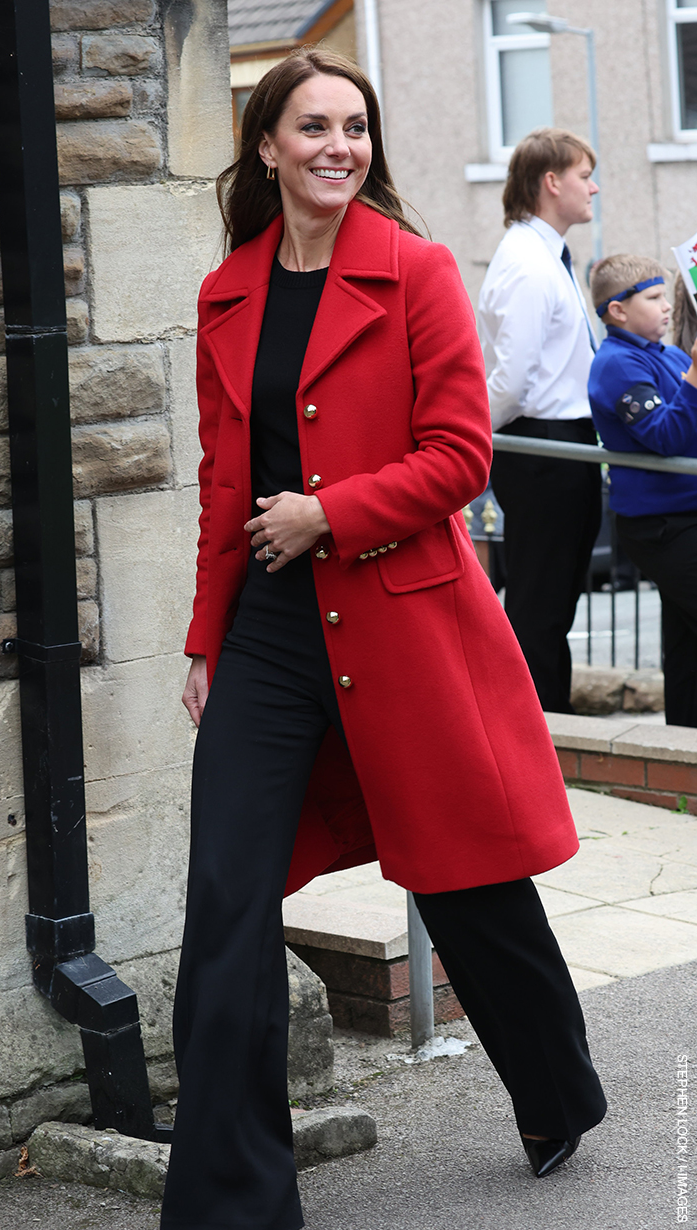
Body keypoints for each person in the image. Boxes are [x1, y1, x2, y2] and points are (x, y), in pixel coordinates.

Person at [162, 50, 606, 1230]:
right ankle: (229, 1202)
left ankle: (557, 1088)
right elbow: (223, 485)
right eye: (312, 127)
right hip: (266, 632)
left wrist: (330, 512)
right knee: (227, 902)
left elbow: (462, 455)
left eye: (355, 127)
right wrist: (203, 639)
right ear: (267, 145)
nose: (338, 147)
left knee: (466, 882)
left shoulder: (413, 273)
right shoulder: (228, 290)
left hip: (402, 621)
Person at [478, 128, 602, 714]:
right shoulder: (529, 264)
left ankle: (552, 722)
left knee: (555, 602)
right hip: (542, 446)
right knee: (540, 601)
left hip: (560, 443)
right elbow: (512, 381)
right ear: (551, 183)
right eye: (584, 175)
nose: (593, 187)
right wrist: (477, 437)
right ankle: (537, 730)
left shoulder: (545, 255)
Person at [588, 255, 697, 725]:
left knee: (685, 641)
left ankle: (682, 747)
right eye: (653, 298)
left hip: (684, 518)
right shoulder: (616, 365)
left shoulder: (669, 355)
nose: (666, 307)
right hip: (662, 527)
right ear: (618, 311)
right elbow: (666, 436)